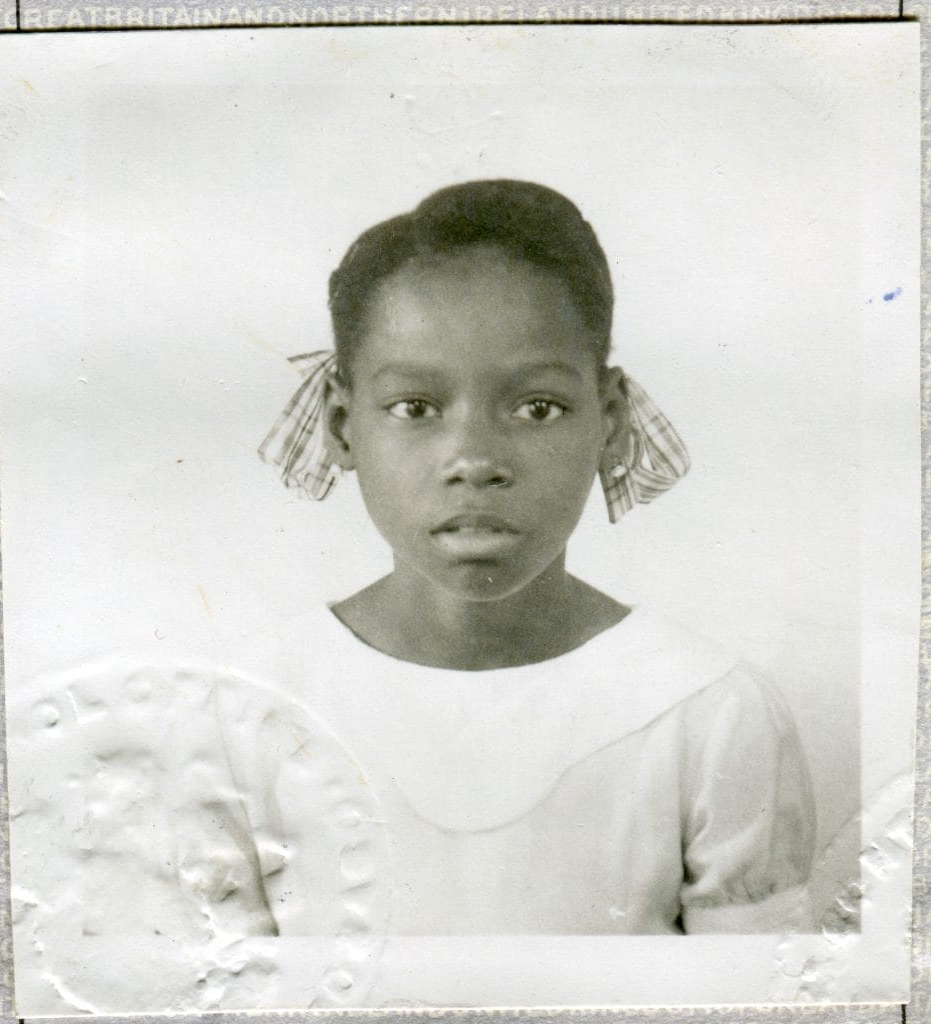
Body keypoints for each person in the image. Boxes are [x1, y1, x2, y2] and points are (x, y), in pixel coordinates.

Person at [252, 179, 816, 936]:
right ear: (342, 425)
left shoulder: (707, 711)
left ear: (608, 420)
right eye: (415, 409)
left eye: (535, 408)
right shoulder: (242, 710)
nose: (474, 459)